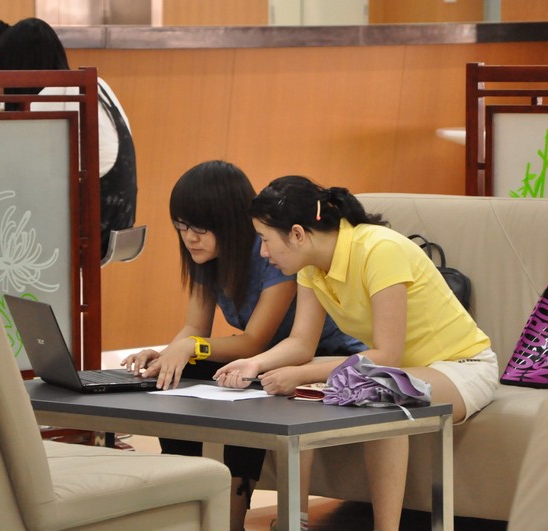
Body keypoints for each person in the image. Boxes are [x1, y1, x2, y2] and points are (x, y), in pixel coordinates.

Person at [214, 175, 499, 530]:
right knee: (305, 389)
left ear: (298, 234)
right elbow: (301, 343)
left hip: (461, 367)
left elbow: (387, 357)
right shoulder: (311, 267)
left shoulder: (380, 250)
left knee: (381, 391)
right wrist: (254, 363)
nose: (263, 252)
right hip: (403, 369)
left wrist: (301, 374)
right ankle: (294, 520)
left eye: (265, 239)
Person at [120, 161, 366, 531]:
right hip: (267, 356)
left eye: (200, 228)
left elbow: (254, 340)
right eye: (181, 228)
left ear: (231, 222)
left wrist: (191, 347)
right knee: (177, 376)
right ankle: (185, 505)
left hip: (321, 353)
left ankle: (233, 518)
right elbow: (195, 327)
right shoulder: (206, 258)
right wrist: (167, 355)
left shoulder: (273, 254)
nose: (190, 239)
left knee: (245, 390)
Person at [0, 18, 137, 259]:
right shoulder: (95, 85)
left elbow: (24, 173)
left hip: (93, 224)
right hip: (121, 217)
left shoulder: (52, 96)